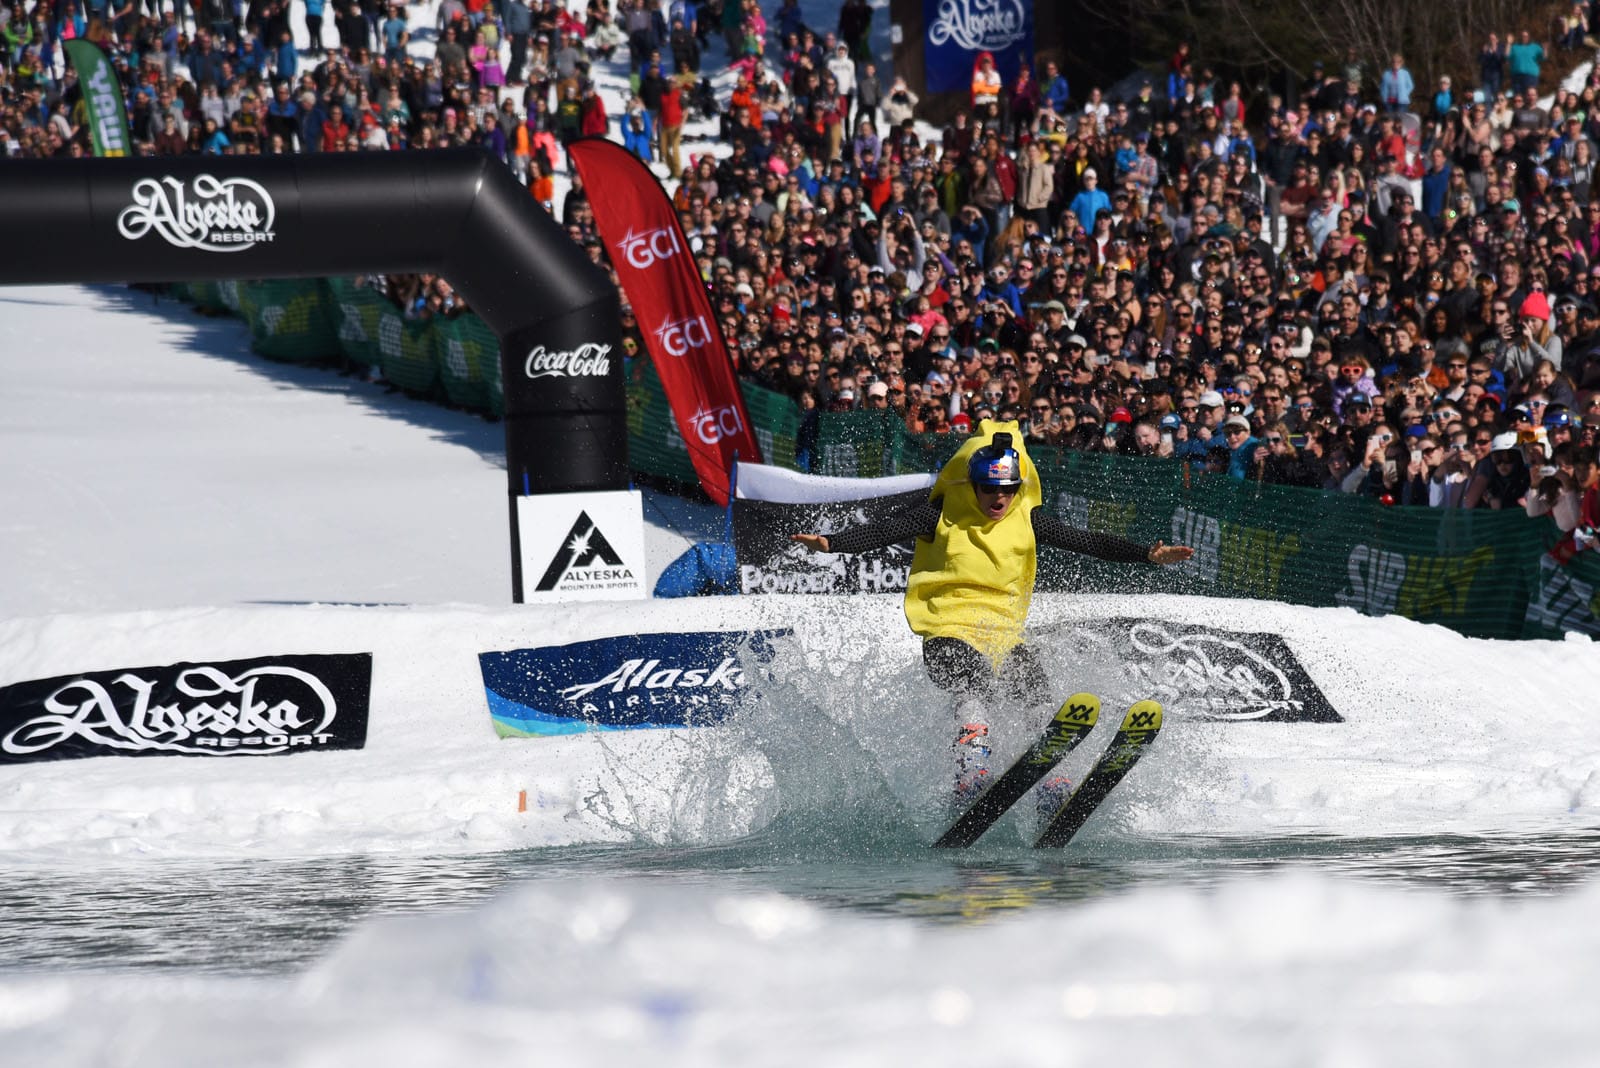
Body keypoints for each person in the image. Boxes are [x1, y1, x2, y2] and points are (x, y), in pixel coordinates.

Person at [789, 422, 1193, 803]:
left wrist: (1147, 555)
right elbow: (883, 531)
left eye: (1008, 489)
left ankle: (1052, 782)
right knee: (975, 682)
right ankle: (970, 772)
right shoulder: (941, 515)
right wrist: (831, 542)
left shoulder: (1026, 520)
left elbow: (1086, 541)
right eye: (989, 489)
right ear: (973, 485)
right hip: (945, 631)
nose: (998, 498)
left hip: (1001, 634)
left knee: (1035, 688)